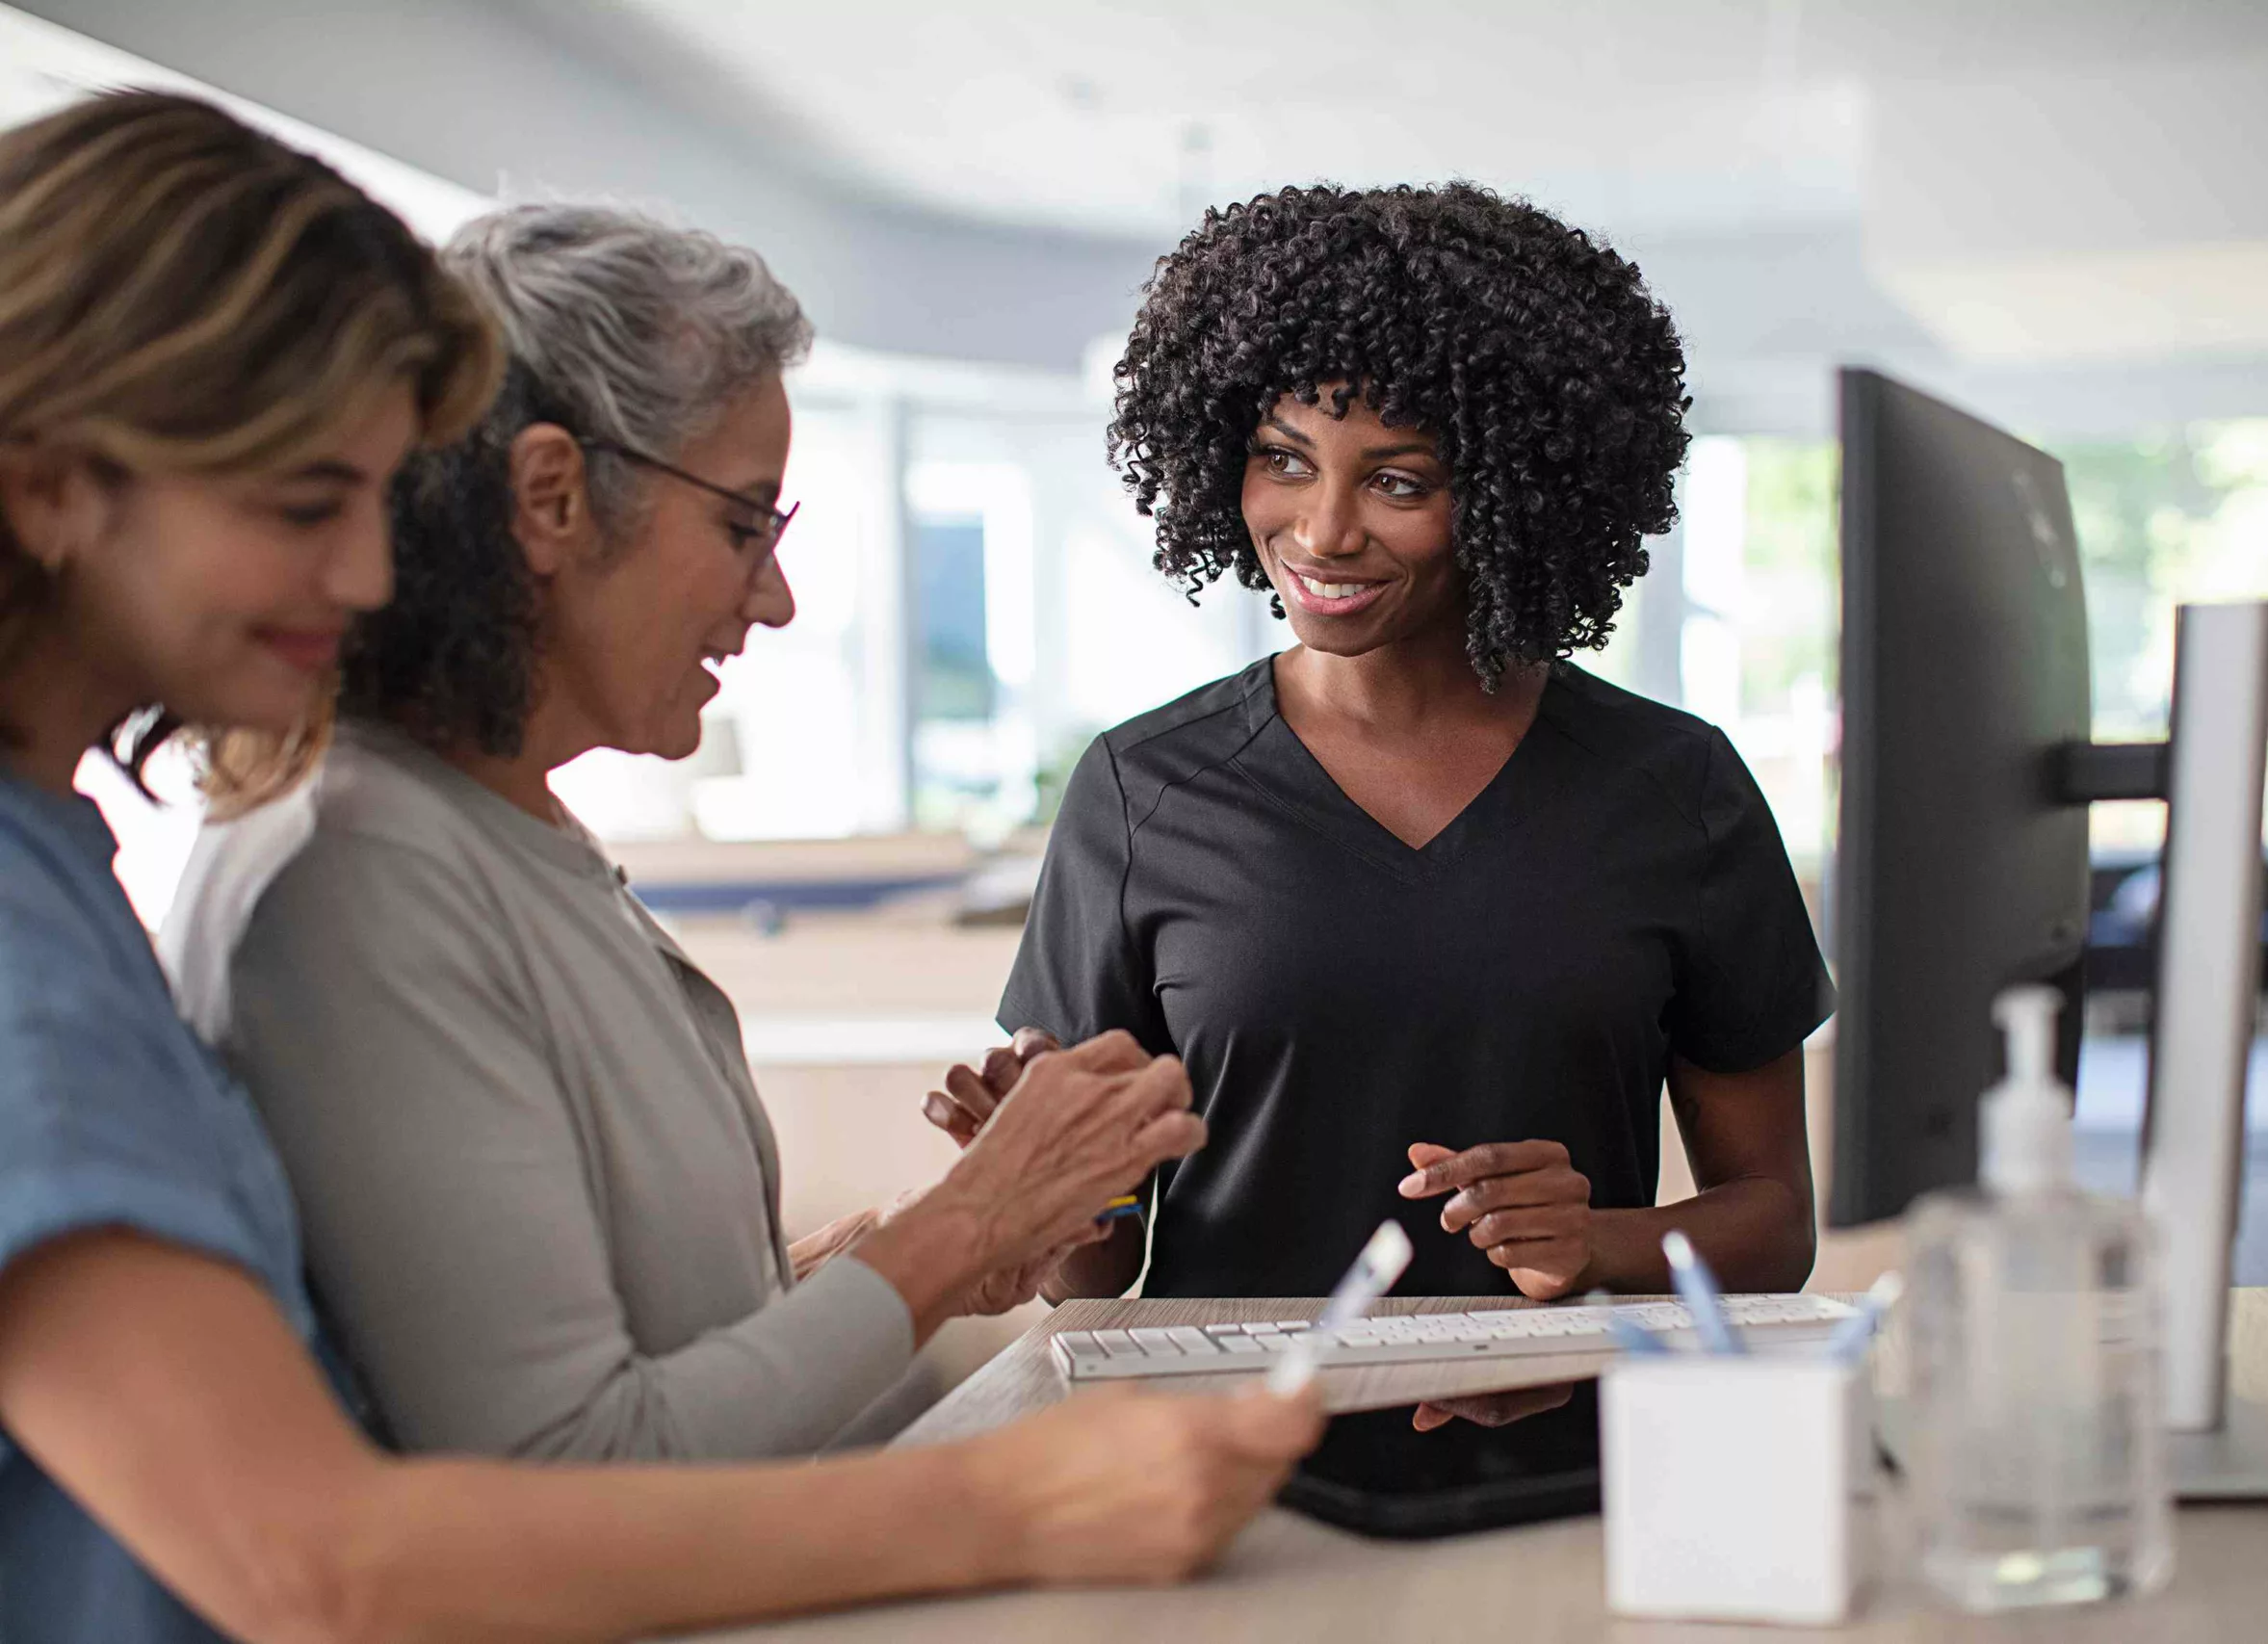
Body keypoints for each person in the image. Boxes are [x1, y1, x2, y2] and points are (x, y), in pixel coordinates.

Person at [0, 91, 1317, 1644]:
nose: (364, 571)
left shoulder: (94, 862)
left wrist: (935, 1243)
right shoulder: (274, 879)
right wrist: (1012, 1459)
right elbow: (353, 1546)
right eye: (305, 504)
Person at [163, 202, 1185, 1461]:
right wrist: (962, 1224)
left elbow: (654, 1355)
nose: (778, 592)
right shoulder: (361, 875)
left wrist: (925, 1255)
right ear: (550, 495)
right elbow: (573, 1472)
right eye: (742, 523)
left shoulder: (494, 833)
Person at [935, 183, 1836, 1304]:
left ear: (1517, 494)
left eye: (1398, 480)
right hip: (1232, 1463)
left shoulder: (1675, 788)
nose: (1321, 531)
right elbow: (1094, 1270)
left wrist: (1598, 1240)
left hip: (1585, 1460)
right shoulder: (1140, 792)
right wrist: (1047, 1180)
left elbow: (1774, 1226)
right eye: (1285, 458)